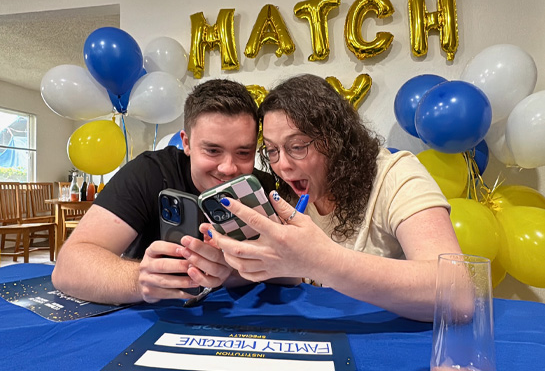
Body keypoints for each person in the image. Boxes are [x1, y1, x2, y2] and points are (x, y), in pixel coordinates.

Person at [203, 74, 462, 322]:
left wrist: (321, 261)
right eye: (271, 150)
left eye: (296, 147)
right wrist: (230, 269)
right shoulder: (282, 193)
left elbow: (456, 293)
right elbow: (287, 278)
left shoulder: (395, 174)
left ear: (335, 140)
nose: (282, 165)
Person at [52, 79, 276, 305]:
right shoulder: (149, 173)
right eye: (212, 150)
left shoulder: (261, 186)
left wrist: (232, 270)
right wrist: (139, 280)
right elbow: (67, 268)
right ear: (186, 143)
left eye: (243, 153)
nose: (228, 168)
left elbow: (289, 275)